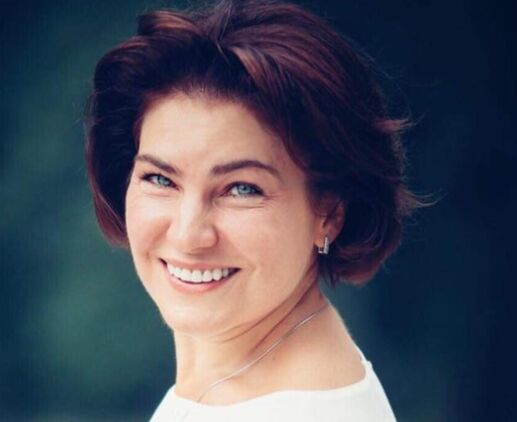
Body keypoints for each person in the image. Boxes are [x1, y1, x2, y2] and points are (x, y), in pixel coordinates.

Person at [84, 0, 422, 420]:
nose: (188, 235)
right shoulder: (239, 386)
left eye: (241, 189)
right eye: (160, 179)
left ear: (330, 213)